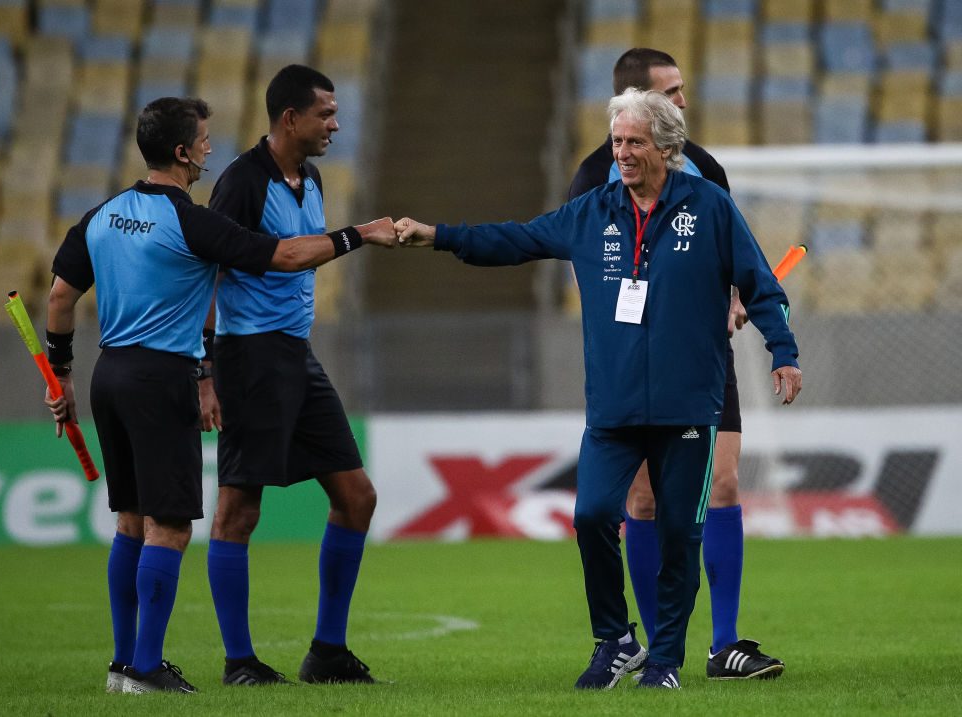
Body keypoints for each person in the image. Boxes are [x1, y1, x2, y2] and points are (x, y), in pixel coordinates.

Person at [395, 88, 801, 690]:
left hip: (689, 405)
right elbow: (516, 240)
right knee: (590, 517)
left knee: (680, 537)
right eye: (617, 142)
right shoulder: (591, 212)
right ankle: (615, 640)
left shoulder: (711, 207)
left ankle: (664, 662)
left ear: (666, 147)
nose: (623, 153)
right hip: (613, 408)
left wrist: (783, 352)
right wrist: (438, 235)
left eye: (635, 142)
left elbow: (761, 284)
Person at [43, 96, 396, 694]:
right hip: (161, 379)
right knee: (170, 527)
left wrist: (62, 375)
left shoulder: (102, 214)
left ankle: (123, 664)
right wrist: (359, 235)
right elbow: (284, 256)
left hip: (110, 375)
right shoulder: (191, 221)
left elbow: (59, 297)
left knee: (130, 521)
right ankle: (147, 668)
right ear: (183, 153)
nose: (211, 148)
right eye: (204, 140)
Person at [569, 48, 783, 681]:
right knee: (640, 500)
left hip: (701, 360)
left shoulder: (705, 167)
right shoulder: (591, 180)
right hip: (636, 367)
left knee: (725, 484)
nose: (685, 102)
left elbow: (730, 251)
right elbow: (596, 278)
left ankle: (724, 646)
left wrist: (734, 298)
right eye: (672, 92)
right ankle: (652, 647)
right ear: (637, 100)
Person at [197, 65, 379, 686]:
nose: (335, 124)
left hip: (296, 355)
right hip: (247, 359)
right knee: (238, 509)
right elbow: (209, 275)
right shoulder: (242, 183)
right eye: (325, 113)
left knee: (356, 498)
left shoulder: (312, 178)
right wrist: (205, 371)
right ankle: (238, 661)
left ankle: (327, 652)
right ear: (289, 118)